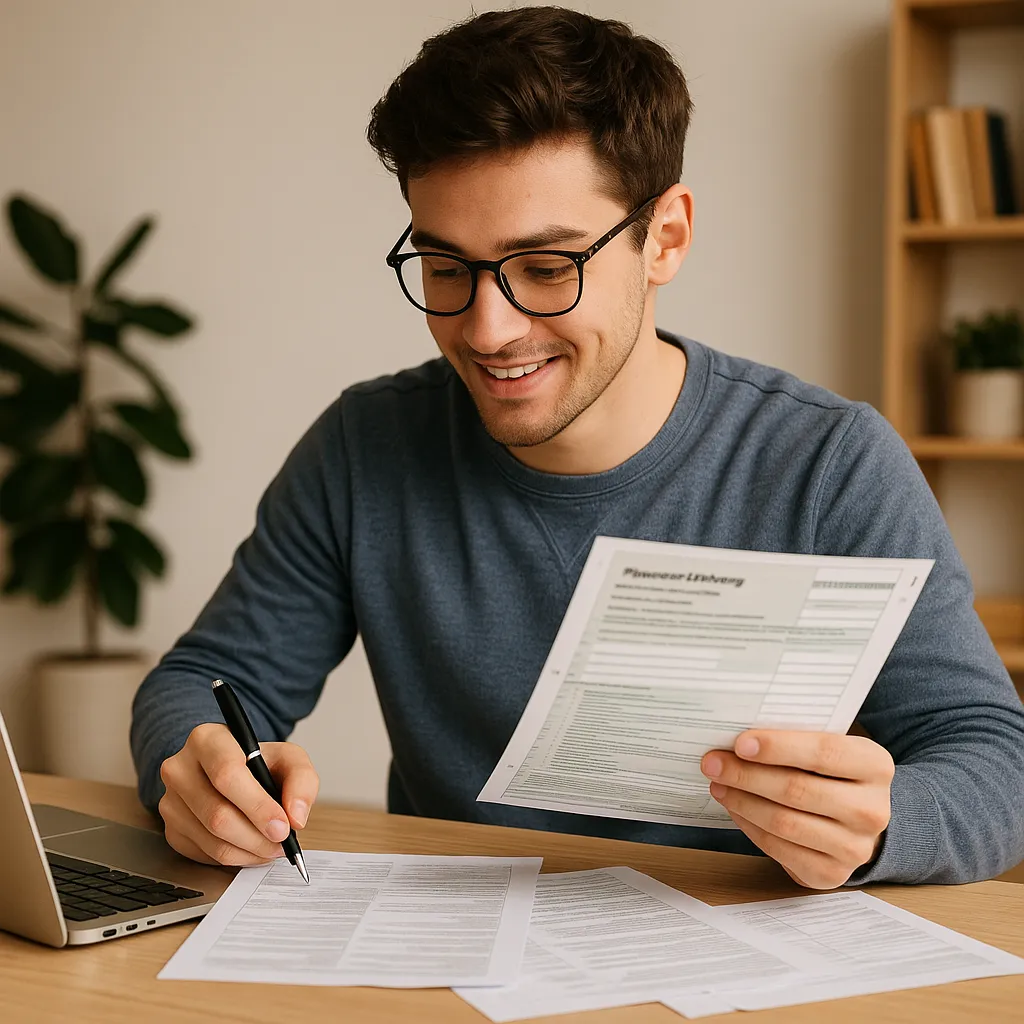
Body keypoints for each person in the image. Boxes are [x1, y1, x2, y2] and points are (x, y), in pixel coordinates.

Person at [131, 6, 1024, 891]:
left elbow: (996, 763)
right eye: (445, 267)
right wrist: (198, 770)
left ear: (664, 237)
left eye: (547, 268)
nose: (488, 328)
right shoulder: (366, 447)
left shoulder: (829, 463)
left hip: (739, 961)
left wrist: (880, 826)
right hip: (452, 954)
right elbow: (209, 680)